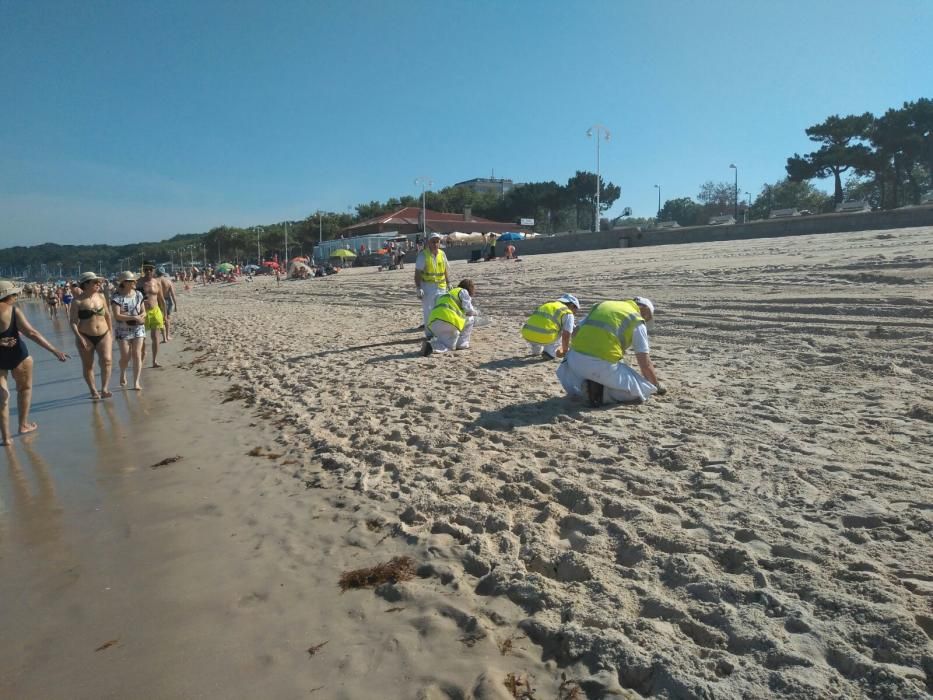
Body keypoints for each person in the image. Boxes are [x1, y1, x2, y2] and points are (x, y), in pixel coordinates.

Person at [556, 296, 665, 406]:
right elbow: (645, 364)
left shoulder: (602, 305)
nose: (646, 321)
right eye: (648, 318)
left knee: (602, 371)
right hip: (601, 365)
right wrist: (656, 385)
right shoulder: (636, 319)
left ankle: (588, 384)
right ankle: (601, 394)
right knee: (643, 390)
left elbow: (575, 333)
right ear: (646, 311)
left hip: (574, 361)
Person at [0, 280, 69, 446]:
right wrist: (55, 350)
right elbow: (32, 333)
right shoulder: (14, 311)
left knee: (3, 397)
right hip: (18, 354)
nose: (16, 297)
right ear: (10, 295)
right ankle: (23, 425)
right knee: (24, 389)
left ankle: (6, 437)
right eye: (15, 294)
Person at [70, 272, 113, 400]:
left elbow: (107, 315)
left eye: (98, 281)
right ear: (86, 284)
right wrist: (79, 337)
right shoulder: (77, 301)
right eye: (95, 282)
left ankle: (104, 388)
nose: (98, 284)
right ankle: (94, 391)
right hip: (85, 335)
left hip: (104, 334)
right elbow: (72, 322)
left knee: (107, 360)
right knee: (89, 365)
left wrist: (110, 332)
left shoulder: (101, 297)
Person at [421, 278, 477, 356]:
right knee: (471, 319)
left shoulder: (448, 293)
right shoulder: (463, 292)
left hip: (434, 323)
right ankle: (462, 343)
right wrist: (476, 313)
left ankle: (431, 344)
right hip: (448, 322)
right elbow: (469, 311)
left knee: (443, 340)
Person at [111, 272, 146, 390]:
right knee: (125, 356)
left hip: (138, 328)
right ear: (125, 283)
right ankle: (123, 372)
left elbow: (144, 311)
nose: (135, 282)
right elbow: (117, 315)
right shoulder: (117, 297)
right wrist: (132, 317)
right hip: (122, 330)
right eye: (132, 281)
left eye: (134, 280)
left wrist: (141, 317)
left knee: (137, 354)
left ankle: (136, 382)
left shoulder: (139, 294)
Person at [522, 293, 580, 360]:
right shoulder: (568, 313)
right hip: (545, 336)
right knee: (562, 330)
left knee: (542, 325)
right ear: (572, 305)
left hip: (527, 334)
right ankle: (550, 352)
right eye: (576, 309)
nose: (575, 313)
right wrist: (565, 351)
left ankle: (536, 350)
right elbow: (566, 335)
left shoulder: (547, 305)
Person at [414, 232, 450, 337]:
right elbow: (417, 274)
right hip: (428, 287)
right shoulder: (423, 255)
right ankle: (430, 334)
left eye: (437, 242)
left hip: (441, 286)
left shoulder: (442, 254)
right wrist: (418, 287)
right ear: (429, 243)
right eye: (433, 242)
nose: (435, 244)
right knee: (428, 311)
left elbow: (445, 270)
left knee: (441, 310)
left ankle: (440, 332)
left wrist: (448, 283)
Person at [139, 263, 166, 368]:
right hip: (143, 313)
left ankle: (154, 360)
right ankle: (142, 357)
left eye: (150, 269)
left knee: (155, 337)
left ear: (153, 270)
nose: (148, 271)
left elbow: (161, 299)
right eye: (146, 269)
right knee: (142, 338)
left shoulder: (156, 282)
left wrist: (165, 314)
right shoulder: (138, 283)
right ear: (143, 270)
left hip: (155, 311)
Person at [156, 268, 177, 342]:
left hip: (158, 301)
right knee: (167, 318)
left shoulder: (155, 281)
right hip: (167, 300)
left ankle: (164, 337)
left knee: (161, 319)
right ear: (164, 272)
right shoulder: (168, 281)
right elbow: (173, 294)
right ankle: (167, 336)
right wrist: (176, 305)